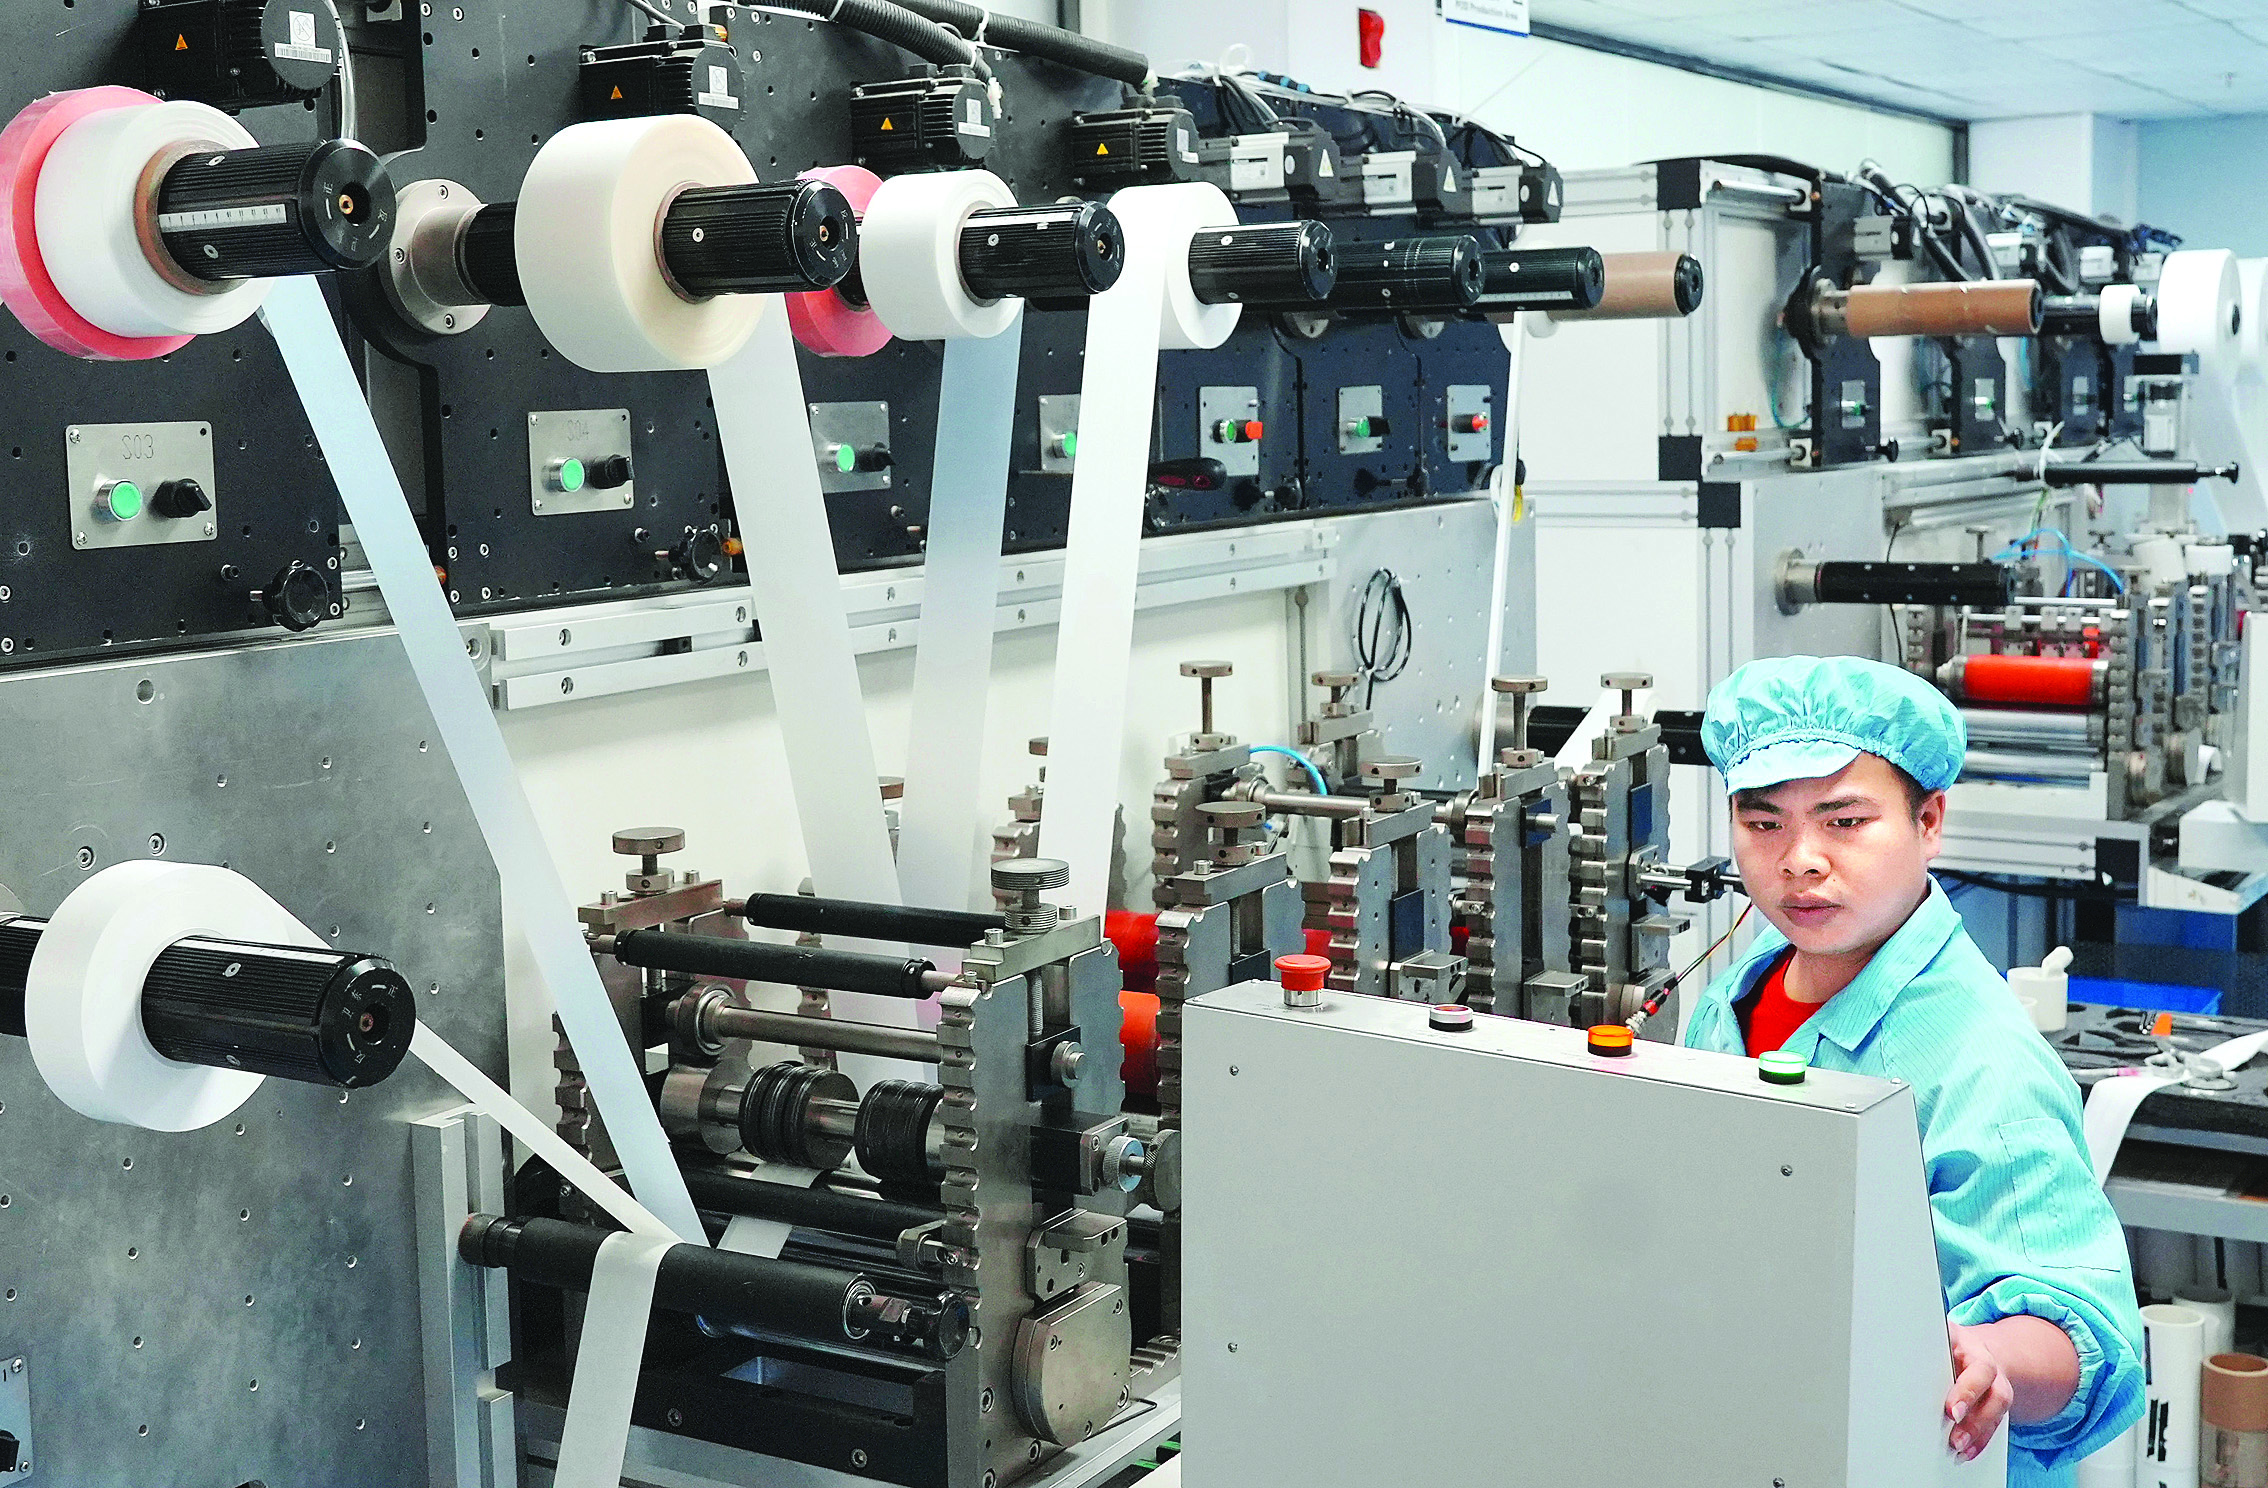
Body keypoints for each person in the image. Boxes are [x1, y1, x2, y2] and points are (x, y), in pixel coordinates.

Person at [1684, 654, 2143, 1483]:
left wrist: (1991, 1357)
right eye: (1763, 824)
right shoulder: (1740, 992)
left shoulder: (1980, 1062)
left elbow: (2084, 1336)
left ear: (1929, 821)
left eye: (1844, 822)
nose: (1800, 860)